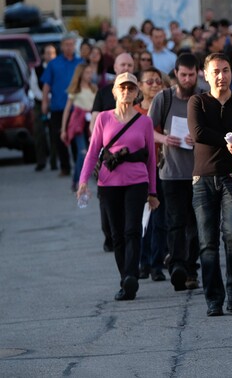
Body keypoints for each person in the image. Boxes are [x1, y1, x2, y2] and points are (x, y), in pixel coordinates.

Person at [77, 72, 159, 301]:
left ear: (136, 93)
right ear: (114, 91)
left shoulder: (145, 121)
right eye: (122, 88)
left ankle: (131, 275)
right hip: (108, 182)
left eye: (131, 88)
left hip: (137, 182)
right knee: (117, 235)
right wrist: (83, 181)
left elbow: (151, 159)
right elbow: (93, 152)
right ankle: (126, 280)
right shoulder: (104, 118)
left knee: (132, 229)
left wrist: (153, 192)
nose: (126, 91)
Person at [188, 53, 232, 317]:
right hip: (203, 178)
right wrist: (229, 140)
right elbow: (198, 133)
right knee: (207, 242)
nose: (221, 76)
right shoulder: (198, 101)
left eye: (225, 70)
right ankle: (214, 299)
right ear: (205, 74)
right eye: (215, 71)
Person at [150, 53, 201, 292]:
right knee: (175, 222)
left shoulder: (203, 97)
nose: (187, 79)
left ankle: (191, 268)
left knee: (195, 224)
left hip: (198, 172)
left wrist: (199, 138)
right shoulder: (164, 98)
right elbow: (147, 131)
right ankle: (178, 266)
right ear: (176, 74)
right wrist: (164, 138)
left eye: (191, 75)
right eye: (183, 74)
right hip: (171, 172)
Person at [90, 52, 136, 252]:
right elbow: (94, 122)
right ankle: (109, 235)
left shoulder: (138, 92)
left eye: (129, 65)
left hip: (133, 156)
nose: (126, 68)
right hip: (108, 156)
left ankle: (128, 235)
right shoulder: (104, 93)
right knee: (106, 199)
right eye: (122, 65)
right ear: (115, 68)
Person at [135, 67, 168, 282]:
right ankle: (142, 261)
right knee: (142, 217)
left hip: (162, 168)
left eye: (158, 81)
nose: (154, 84)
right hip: (140, 170)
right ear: (140, 86)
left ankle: (157, 264)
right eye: (149, 81)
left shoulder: (165, 111)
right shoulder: (135, 112)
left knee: (160, 218)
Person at [41, 34, 82, 177]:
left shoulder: (80, 62)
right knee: (59, 137)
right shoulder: (54, 63)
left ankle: (79, 165)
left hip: (77, 107)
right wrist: (45, 102)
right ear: (62, 46)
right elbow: (47, 85)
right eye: (67, 44)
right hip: (58, 106)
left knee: (77, 138)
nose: (69, 47)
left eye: (72, 44)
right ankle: (65, 167)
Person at [60, 63, 96, 192]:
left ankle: (82, 178)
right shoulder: (75, 90)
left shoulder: (93, 89)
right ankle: (77, 180)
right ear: (80, 74)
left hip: (91, 122)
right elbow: (67, 110)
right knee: (82, 152)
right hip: (78, 124)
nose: (89, 75)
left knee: (91, 151)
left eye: (90, 72)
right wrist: (63, 129)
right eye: (86, 72)